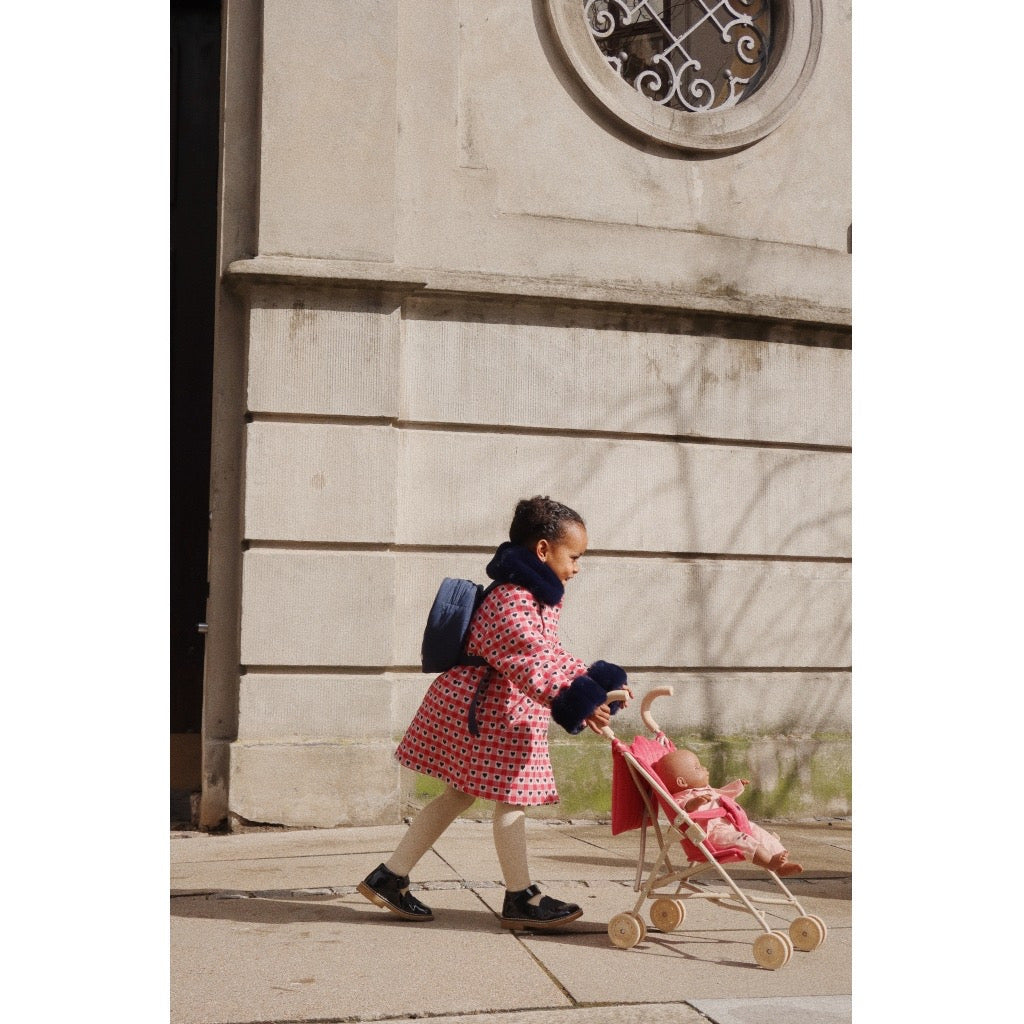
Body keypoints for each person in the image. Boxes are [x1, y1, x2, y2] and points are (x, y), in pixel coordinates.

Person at [358, 496, 632, 930]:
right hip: (484, 712)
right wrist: (579, 697)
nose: (577, 568)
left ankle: (390, 876)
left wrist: (595, 682)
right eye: (574, 557)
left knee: (461, 794)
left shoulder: (534, 598)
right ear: (543, 550)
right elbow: (529, 661)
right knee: (511, 797)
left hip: (497, 710)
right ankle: (520, 897)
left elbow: (549, 655)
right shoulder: (511, 600)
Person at [652, 748, 803, 877]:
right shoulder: (683, 796)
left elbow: (722, 794)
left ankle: (782, 864)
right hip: (714, 834)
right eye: (698, 768)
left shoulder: (706, 790)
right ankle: (770, 863)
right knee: (743, 840)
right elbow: (682, 809)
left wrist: (736, 786)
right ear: (682, 782)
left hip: (732, 823)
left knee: (760, 833)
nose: (705, 768)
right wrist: (695, 802)